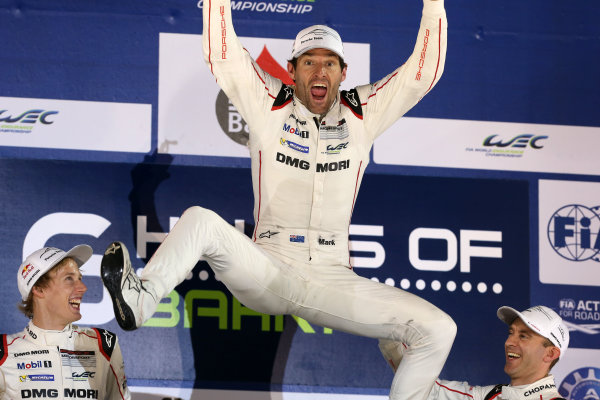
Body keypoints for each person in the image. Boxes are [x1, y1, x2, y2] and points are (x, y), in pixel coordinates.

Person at [100, 0, 455, 399]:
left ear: (343, 73)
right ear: (291, 70)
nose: (319, 71)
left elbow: (423, 74)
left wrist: (433, 4)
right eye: (308, 62)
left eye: (330, 63)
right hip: (269, 268)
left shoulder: (363, 113)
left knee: (440, 329)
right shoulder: (270, 102)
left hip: (333, 278)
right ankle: (140, 300)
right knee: (199, 219)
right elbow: (223, 55)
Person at [0, 245, 131, 400]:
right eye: (69, 279)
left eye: (79, 278)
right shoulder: (4, 352)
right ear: (39, 289)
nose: (83, 288)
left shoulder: (104, 344)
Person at [383, 305, 570, 400]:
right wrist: (389, 331)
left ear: (550, 354)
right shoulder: (494, 394)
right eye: (511, 333)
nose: (509, 342)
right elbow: (432, 393)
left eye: (523, 336)